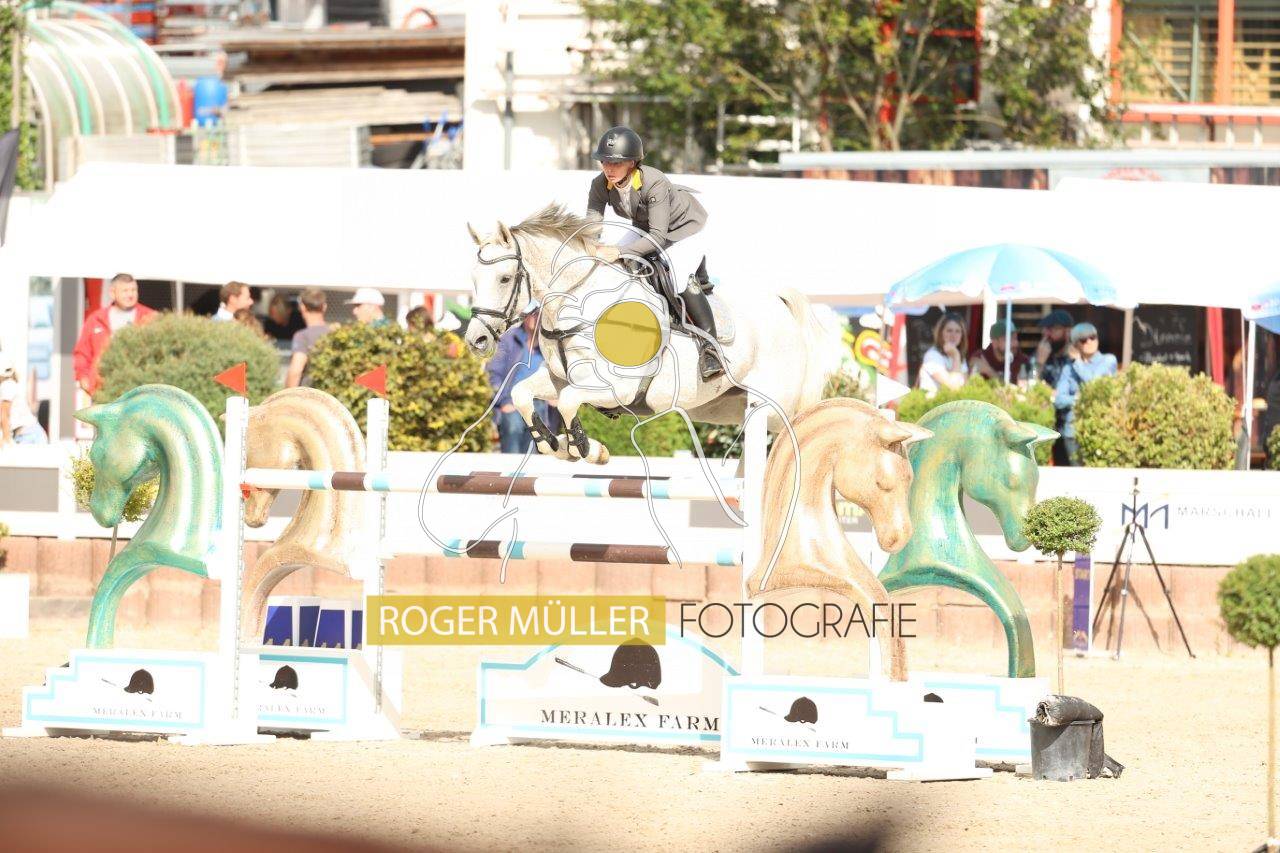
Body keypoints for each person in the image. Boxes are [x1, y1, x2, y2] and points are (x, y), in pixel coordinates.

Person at [584, 126, 722, 380]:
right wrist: (589, 248)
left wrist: (617, 251)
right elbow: (592, 228)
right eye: (605, 162)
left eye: (616, 163)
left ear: (632, 163)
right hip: (647, 228)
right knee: (612, 266)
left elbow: (658, 238)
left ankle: (710, 348)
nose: (609, 168)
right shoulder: (600, 184)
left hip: (685, 228)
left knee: (678, 278)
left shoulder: (654, 182)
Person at [73, 273, 156, 396]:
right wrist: (82, 377)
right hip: (102, 388)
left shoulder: (150, 317)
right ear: (112, 293)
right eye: (125, 291)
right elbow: (82, 353)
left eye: (133, 290)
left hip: (139, 389)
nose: (130, 295)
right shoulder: (96, 319)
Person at [486, 306, 556, 454]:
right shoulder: (507, 340)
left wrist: (555, 395)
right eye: (533, 314)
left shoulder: (549, 345)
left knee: (534, 447)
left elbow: (558, 375)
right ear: (524, 316)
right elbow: (493, 374)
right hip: (511, 402)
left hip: (539, 404)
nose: (536, 318)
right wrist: (503, 402)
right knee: (513, 427)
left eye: (540, 314)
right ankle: (511, 469)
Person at [1053, 322, 1118, 466]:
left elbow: (1093, 384)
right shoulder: (1068, 368)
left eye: (1092, 337)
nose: (1089, 342)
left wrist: (1078, 363)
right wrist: (1078, 399)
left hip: (1101, 427)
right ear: (1076, 345)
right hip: (1073, 430)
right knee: (1077, 473)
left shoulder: (1108, 360)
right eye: (1083, 340)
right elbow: (1058, 399)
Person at [285, 288, 330, 388]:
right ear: (324, 307)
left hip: (310, 393)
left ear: (302, 307)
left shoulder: (302, 336)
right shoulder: (335, 332)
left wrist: (288, 395)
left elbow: (296, 371)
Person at [0, 352, 47, 446]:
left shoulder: (7, 386)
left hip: (28, 436)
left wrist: (6, 440)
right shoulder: (11, 385)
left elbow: (4, 416)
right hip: (30, 433)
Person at [917, 312, 969, 395]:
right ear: (941, 333)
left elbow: (965, 387)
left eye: (958, 331)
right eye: (949, 330)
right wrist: (956, 356)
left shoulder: (959, 356)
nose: (953, 335)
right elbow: (954, 387)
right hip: (933, 402)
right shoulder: (932, 356)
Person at [1035, 309, 1075, 390]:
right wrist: (1039, 364)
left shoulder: (1077, 357)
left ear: (1068, 332)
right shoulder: (1039, 355)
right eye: (1045, 330)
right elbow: (1029, 386)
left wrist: (1077, 362)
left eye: (1053, 329)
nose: (1047, 334)